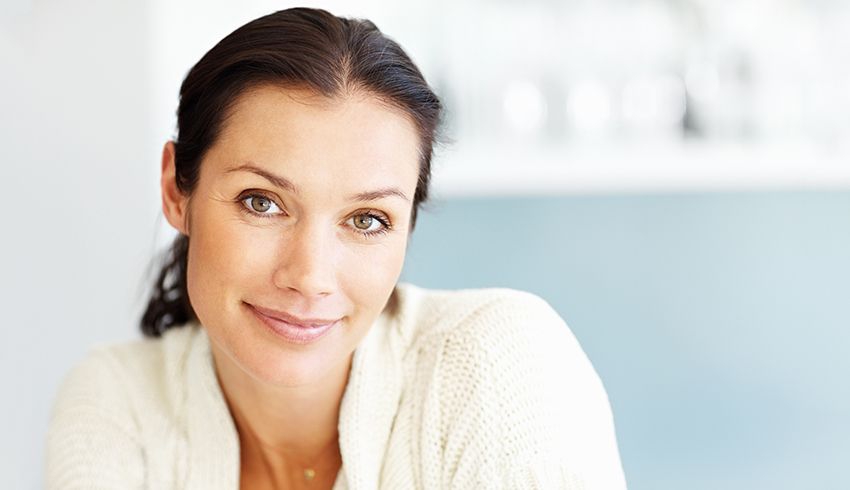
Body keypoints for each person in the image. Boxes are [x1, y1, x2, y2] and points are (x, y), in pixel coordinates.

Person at [45, 7, 627, 489]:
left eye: (367, 219)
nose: (310, 276)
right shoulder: (117, 407)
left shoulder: (498, 363)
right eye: (261, 202)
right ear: (177, 190)